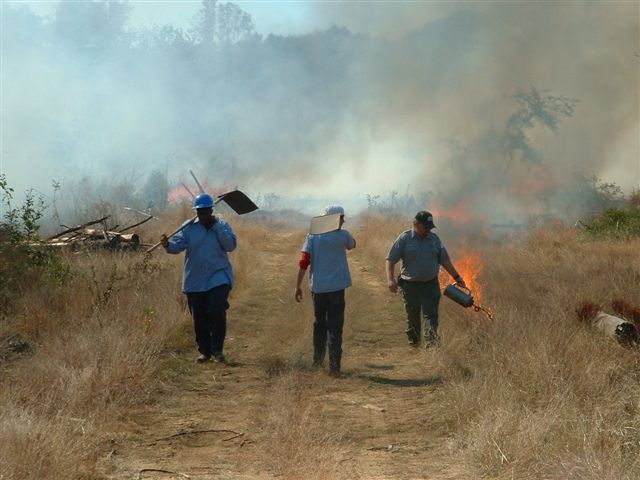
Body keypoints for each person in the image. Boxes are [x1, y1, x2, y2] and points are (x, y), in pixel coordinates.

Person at [160, 193, 237, 363]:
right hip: (195, 280)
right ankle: (205, 352)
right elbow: (177, 247)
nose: (203, 215)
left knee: (217, 310)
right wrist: (167, 245)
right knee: (199, 318)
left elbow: (230, 246)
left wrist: (217, 227)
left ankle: (217, 350)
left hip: (219, 276)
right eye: (199, 212)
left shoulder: (222, 225)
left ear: (211, 210)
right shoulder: (187, 228)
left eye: (206, 212)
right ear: (196, 211)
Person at [385, 211, 466, 349]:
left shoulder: (434, 240)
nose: (429, 230)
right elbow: (390, 260)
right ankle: (414, 345)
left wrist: (457, 277)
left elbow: (445, 260)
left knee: (431, 316)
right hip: (410, 286)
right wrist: (390, 280)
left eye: (430, 227)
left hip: (430, 285)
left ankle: (431, 346)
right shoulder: (404, 239)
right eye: (426, 227)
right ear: (417, 224)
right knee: (413, 316)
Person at [295, 205, 356, 376]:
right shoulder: (343, 235)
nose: (343, 221)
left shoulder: (312, 237)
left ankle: (317, 362)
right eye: (341, 218)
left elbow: (303, 262)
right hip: (337, 289)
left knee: (319, 325)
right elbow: (352, 245)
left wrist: (298, 286)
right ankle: (335, 367)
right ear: (335, 219)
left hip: (319, 289)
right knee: (335, 328)